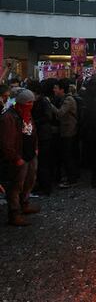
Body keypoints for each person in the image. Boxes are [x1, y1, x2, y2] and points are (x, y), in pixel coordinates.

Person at [0, 88, 39, 226]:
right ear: (21, 103)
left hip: (29, 155)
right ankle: (14, 213)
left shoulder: (27, 114)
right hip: (19, 156)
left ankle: (25, 204)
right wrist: (15, 158)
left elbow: (33, 131)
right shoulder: (9, 117)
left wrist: (35, 148)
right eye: (29, 102)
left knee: (29, 181)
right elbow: (6, 142)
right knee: (16, 186)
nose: (32, 104)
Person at [49, 79, 78, 188]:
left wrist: (49, 104)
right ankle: (70, 177)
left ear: (62, 89)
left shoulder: (69, 100)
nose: (54, 90)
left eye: (56, 88)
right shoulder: (64, 98)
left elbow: (60, 113)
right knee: (66, 155)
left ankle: (72, 179)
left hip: (68, 131)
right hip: (66, 130)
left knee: (68, 156)